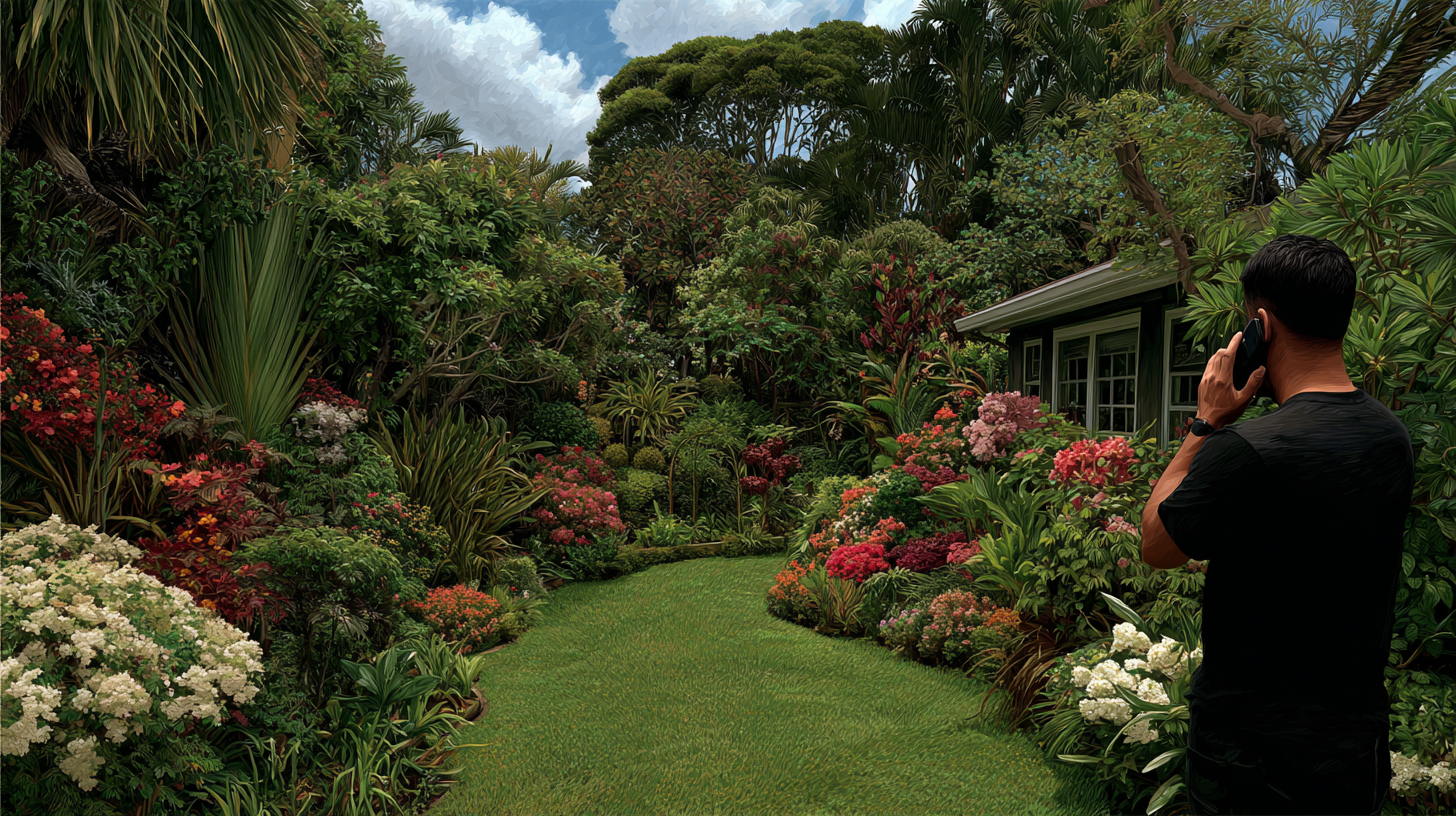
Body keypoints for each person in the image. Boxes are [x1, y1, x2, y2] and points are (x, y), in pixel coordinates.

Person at [1139, 234, 1415, 815]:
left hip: (1251, 754)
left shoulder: (1248, 447)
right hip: (1350, 744)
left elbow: (1158, 544)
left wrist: (1205, 424)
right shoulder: (1392, 438)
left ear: (1260, 326)